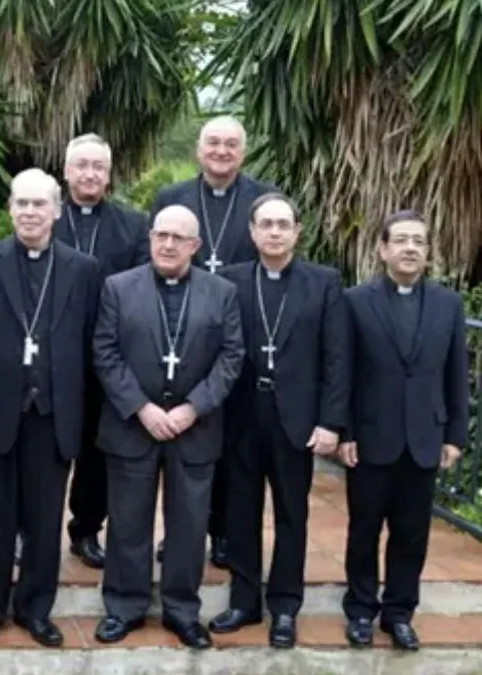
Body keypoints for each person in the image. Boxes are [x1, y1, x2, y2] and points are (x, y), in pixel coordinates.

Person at [0, 169, 102, 647]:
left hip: (53, 415)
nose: (31, 212)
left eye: (40, 204)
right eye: (22, 203)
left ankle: (36, 609)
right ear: (10, 209)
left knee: (44, 520)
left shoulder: (83, 269)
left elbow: (89, 339)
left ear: (57, 210)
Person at [90, 205, 244, 650]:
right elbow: (105, 351)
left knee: (189, 526)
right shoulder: (118, 287)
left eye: (179, 238)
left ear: (195, 246)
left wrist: (193, 408)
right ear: (151, 238)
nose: (168, 244)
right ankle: (124, 607)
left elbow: (232, 356)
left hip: (194, 428)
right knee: (127, 523)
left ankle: (182, 611)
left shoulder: (222, 292)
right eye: (161, 235)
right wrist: (142, 408)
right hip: (133, 426)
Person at [207, 193, 349, 648]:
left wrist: (331, 423)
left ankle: (285, 606)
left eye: (283, 224)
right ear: (252, 232)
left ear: (296, 232)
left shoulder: (323, 282)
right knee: (239, 513)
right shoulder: (229, 281)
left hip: (297, 421)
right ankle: (244, 601)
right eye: (265, 224)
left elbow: (337, 358)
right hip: (242, 416)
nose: (274, 232)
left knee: (292, 514)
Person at [148, 115, 275, 568]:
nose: (222, 151)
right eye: (214, 143)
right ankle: (179, 534)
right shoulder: (172, 198)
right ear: (199, 149)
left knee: (231, 446)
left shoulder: (263, 198)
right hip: (182, 332)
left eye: (231, 144)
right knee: (181, 445)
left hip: (240, 332)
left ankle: (222, 531)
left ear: (243, 152)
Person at [338, 210, 468, 651]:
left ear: (427, 252)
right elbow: (344, 372)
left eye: (419, 241)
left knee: (412, 534)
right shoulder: (355, 301)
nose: (410, 248)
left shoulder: (448, 304)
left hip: (425, 437)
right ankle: (360, 610)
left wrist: (455, 435)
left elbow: (456, 373)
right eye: (402, 240)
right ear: (383, 249)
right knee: (363, 530)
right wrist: (345, 431)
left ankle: (398, 614)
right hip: (370, 437)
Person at [55, 133, 150, 569]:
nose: (90, 174)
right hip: (54, 360)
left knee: (97, 452)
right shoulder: (47, 216)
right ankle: (28, 529)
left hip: (107, 359)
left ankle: (86, 528)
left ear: (109, 175)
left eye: (99, 167)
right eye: (82, 165)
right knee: (44, 451)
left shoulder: (133, 225)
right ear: (67, 171)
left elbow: (139, 291)